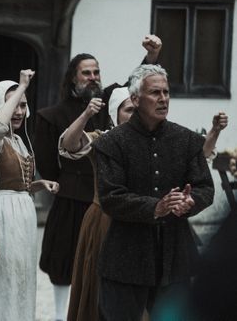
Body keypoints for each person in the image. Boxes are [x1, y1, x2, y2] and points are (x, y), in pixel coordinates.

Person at [34, 35, 162, 320]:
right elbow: (50, 160)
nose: (93, 78)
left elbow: (134, 87)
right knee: (66, 262)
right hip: (73, 198)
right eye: (86, 73)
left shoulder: (111, 103)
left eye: (96, 72)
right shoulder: (51, 115)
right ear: (72, 79)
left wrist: (151, 57)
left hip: (111, 201)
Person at [92, 64, 214, 320]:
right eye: (155, 93)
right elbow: (110, 197)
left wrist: (190, 201)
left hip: (175, 257)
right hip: (124, 259)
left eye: (166, 92)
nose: (163, 99)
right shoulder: (112, 143)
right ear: (135, 99)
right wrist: (154, 207)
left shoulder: (187, 140)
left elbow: (205, 187)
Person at [0, 70, 59, 321]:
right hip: (2, 214)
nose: (18, 112)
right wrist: (23, 86)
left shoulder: (19, 139)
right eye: (13, 105)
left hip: (23, 217)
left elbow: (19, 184)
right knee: (3, 275)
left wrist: (38, 185)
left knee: (22, 275)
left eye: (23, 105)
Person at [59, 87, 133, 321]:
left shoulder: (151, 142)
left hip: (139, 222)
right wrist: (86, 115)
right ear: (115, 113)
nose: (135, 114)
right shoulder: (102, 138)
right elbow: (70, 145)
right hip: (104, 221)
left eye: (137, 109)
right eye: (129, 110)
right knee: (101, 288)